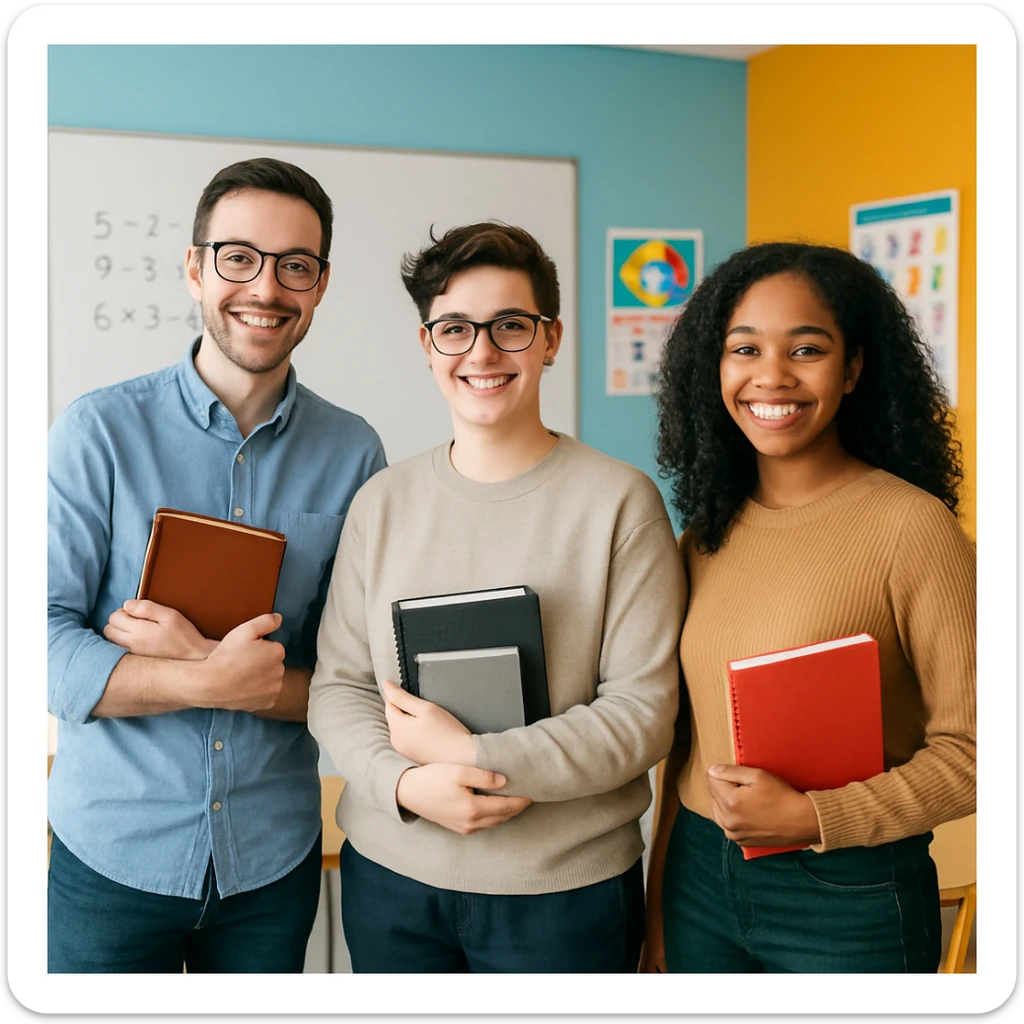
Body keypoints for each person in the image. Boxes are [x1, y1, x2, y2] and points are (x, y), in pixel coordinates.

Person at [307, 222, 685, 973]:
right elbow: (339, 687)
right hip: (390, 878)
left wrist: (474, 758)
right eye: (455, 329)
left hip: (564, 894)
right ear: (427, 346)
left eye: (510, 326)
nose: (481, 353)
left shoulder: (620, 503)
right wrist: (410, 785)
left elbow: (642, 717)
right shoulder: (381, 503)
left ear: (551, 339)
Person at [47, 157, 387, 973]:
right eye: (239, 257)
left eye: (295, 266)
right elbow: (39, 645)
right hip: (110, 861)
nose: (265, 288)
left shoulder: (355, 453)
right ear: (195, 268)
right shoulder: (97, 433)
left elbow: (363, 678)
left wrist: (200, 659)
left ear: (321, 284)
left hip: (271, 866)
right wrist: (205, 682)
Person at [641, 241, 976, 974]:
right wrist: (660, 897)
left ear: (853, 368)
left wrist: (816, 816)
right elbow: (688, 746)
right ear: (715, 368)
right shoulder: (703, 535)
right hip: (699, 879)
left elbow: (980, 754)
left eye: (807, 349)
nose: (772, 376)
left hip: (847, 891)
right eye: (745, 348)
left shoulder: (912, 528)